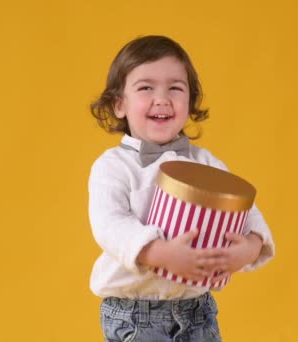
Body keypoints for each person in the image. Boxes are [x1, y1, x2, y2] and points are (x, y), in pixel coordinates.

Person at [88, 35, 275, 342]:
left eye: (175, 88)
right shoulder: (113, 166)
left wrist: (250, 247)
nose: (162, 99)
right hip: (136, 315)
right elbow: (110, 226)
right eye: (146, 87)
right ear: (119, 104)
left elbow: (246, 212)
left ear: (189, 102)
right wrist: (159, 252)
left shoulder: (206, 162)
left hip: (198, 312)